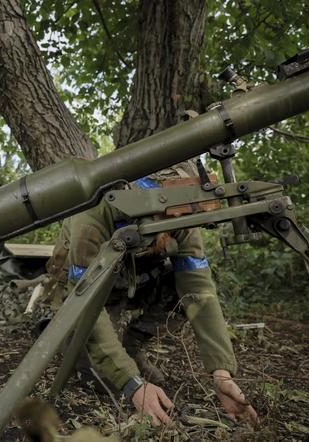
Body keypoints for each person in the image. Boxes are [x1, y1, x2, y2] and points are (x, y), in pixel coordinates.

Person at [44, 160, 258, 426]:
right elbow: (87, 304)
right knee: (101, 380)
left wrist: (222, 372)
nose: (178, 224)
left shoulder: (182, 214)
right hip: (84, 291)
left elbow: (198, 289)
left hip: (135, 281)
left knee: (183, 289)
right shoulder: (95, 214)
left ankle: (131, 346)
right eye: (170, 216)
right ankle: (69, 339)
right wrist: (132, 383)